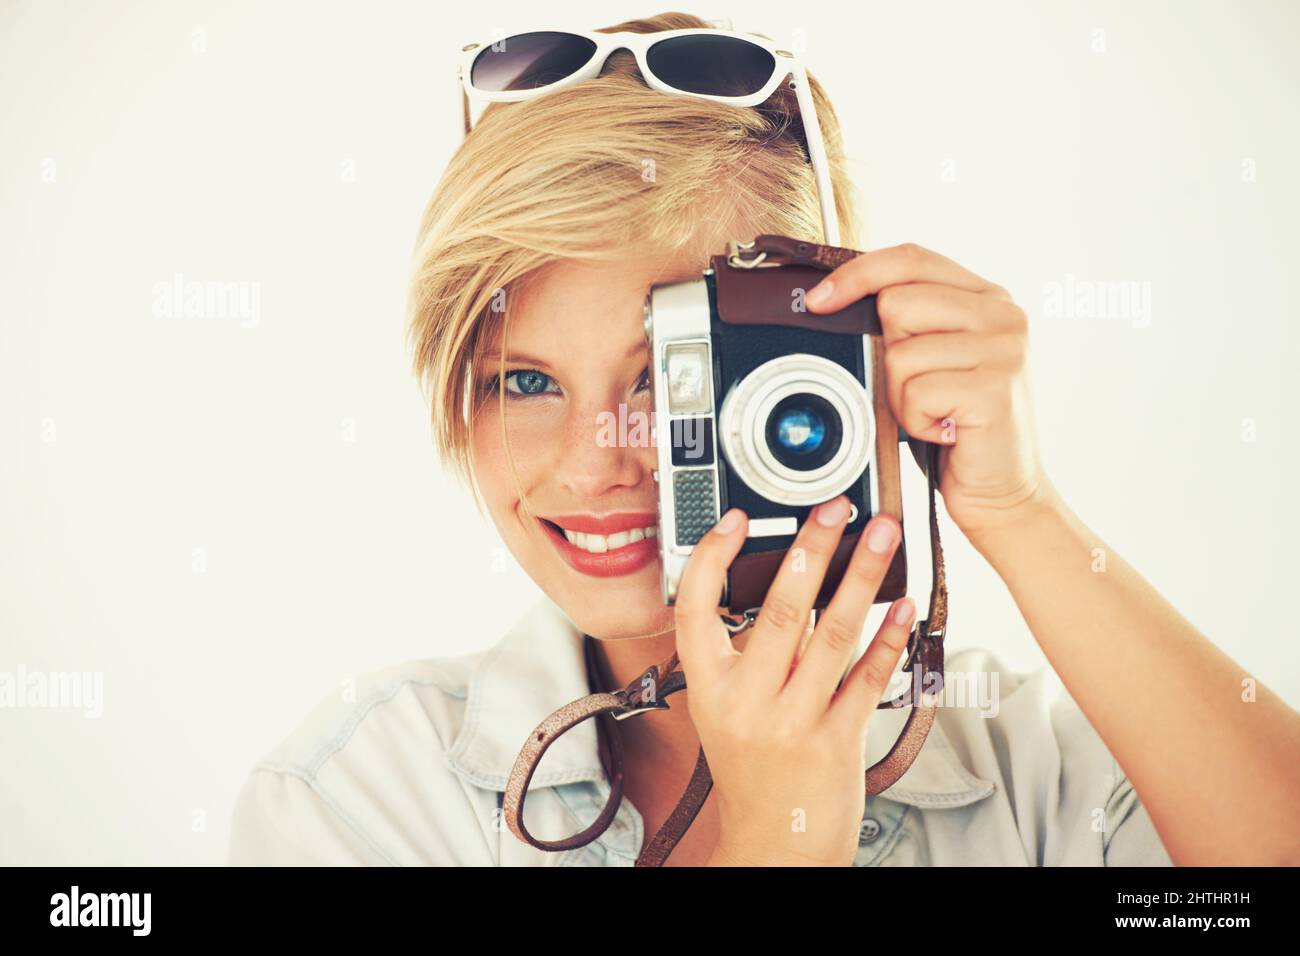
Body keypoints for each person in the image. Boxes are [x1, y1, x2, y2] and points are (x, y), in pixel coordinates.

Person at [226, 12, 1300, 867]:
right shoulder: (357, 793)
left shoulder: (1018, 762)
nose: (597, 456)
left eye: (667, 378)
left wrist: (1021, 512)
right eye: (523, 380)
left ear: (826, 365)